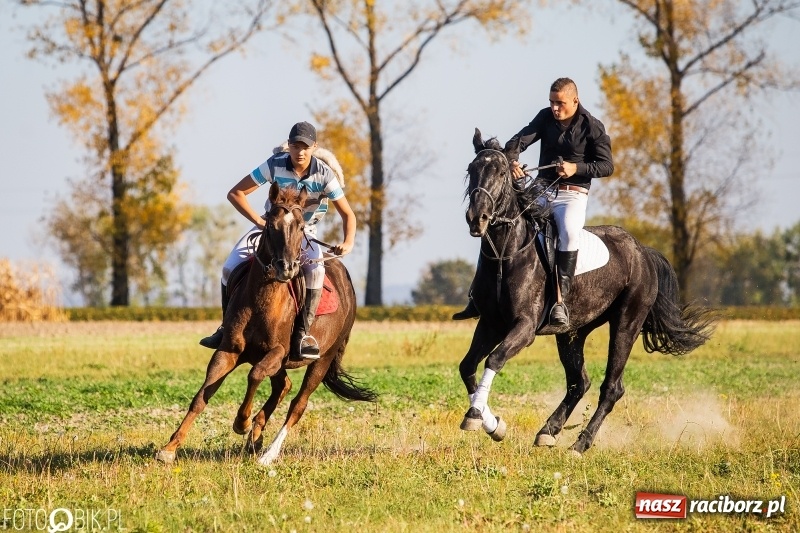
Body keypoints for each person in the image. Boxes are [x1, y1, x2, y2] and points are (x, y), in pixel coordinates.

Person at [453, 77, 613, 326]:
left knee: (569, 233)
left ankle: (560, 302)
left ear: (575, 100)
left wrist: (576, 168)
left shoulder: (592, 126)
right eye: (551, 102)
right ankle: (478, 294)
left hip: (573, 194)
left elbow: (606, 165)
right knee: (501, 223)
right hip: (542, 189)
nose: (554, 108)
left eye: (559, 103)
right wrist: (513, 161)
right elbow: (517, 142)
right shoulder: (545, 117)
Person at [200, 121, 356, 359]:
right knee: (229, 267)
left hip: (304, 231)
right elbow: (236, 193)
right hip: (270, 228)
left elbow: (348, 214)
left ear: (314, 146)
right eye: (295, 145)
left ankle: (303, 334)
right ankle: (225, 328)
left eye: (305, 146)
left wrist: (348, 241)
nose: (300, 151)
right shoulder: (274, 164)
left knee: (315, 272)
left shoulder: (325, 175)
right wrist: (260, 222)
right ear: (289, 146)